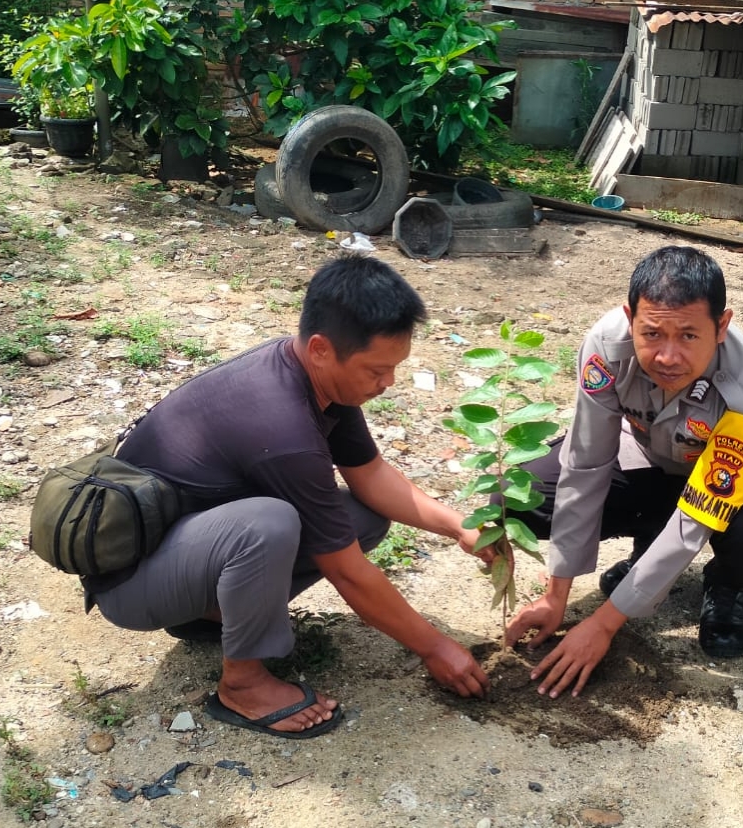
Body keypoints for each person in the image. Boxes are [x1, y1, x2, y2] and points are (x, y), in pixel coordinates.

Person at [83, 256, 495, 738]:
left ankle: (214, 617)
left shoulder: (317, 380)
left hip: (183, 547)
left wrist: (458, 526)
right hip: (131, 584)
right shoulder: (280, 425)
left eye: (394, 368)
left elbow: (372, 475)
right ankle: (243, 686)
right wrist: (434, 647)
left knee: (362, 517)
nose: (389, 383)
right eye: (377, 370)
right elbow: (346, 571)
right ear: (322, 349)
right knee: (269, 523)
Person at [503, 246, 743, 698]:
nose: (667, 356)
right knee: (518, 495)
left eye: (689, 336)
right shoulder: (606, 349)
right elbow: (587, 462)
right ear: (630, 317)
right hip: (652, 461)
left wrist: (604, 623)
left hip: (740, 491)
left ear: (722, 326)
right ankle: (648, 548)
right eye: (652, 333)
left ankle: (728, 584)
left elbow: (701, 513)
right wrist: (557, 595)